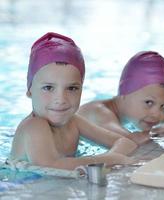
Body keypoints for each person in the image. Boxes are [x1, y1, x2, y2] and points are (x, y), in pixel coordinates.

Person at [10, 32, 137, 171]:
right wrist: (108, 159)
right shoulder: (34, 126)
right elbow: (50, 166)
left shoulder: (74, 121)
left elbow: (126, 143)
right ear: (29, 90)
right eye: (48, 88)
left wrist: (111, 158)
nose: (61, 99)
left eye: (71, 88)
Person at [79, 51, 164, 145]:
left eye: (163, 106)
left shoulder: (132, 113)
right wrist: (159, 131)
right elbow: (130, 141)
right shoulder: (98, 113)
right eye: (149, 102)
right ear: (124, 93)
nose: (157, 114)